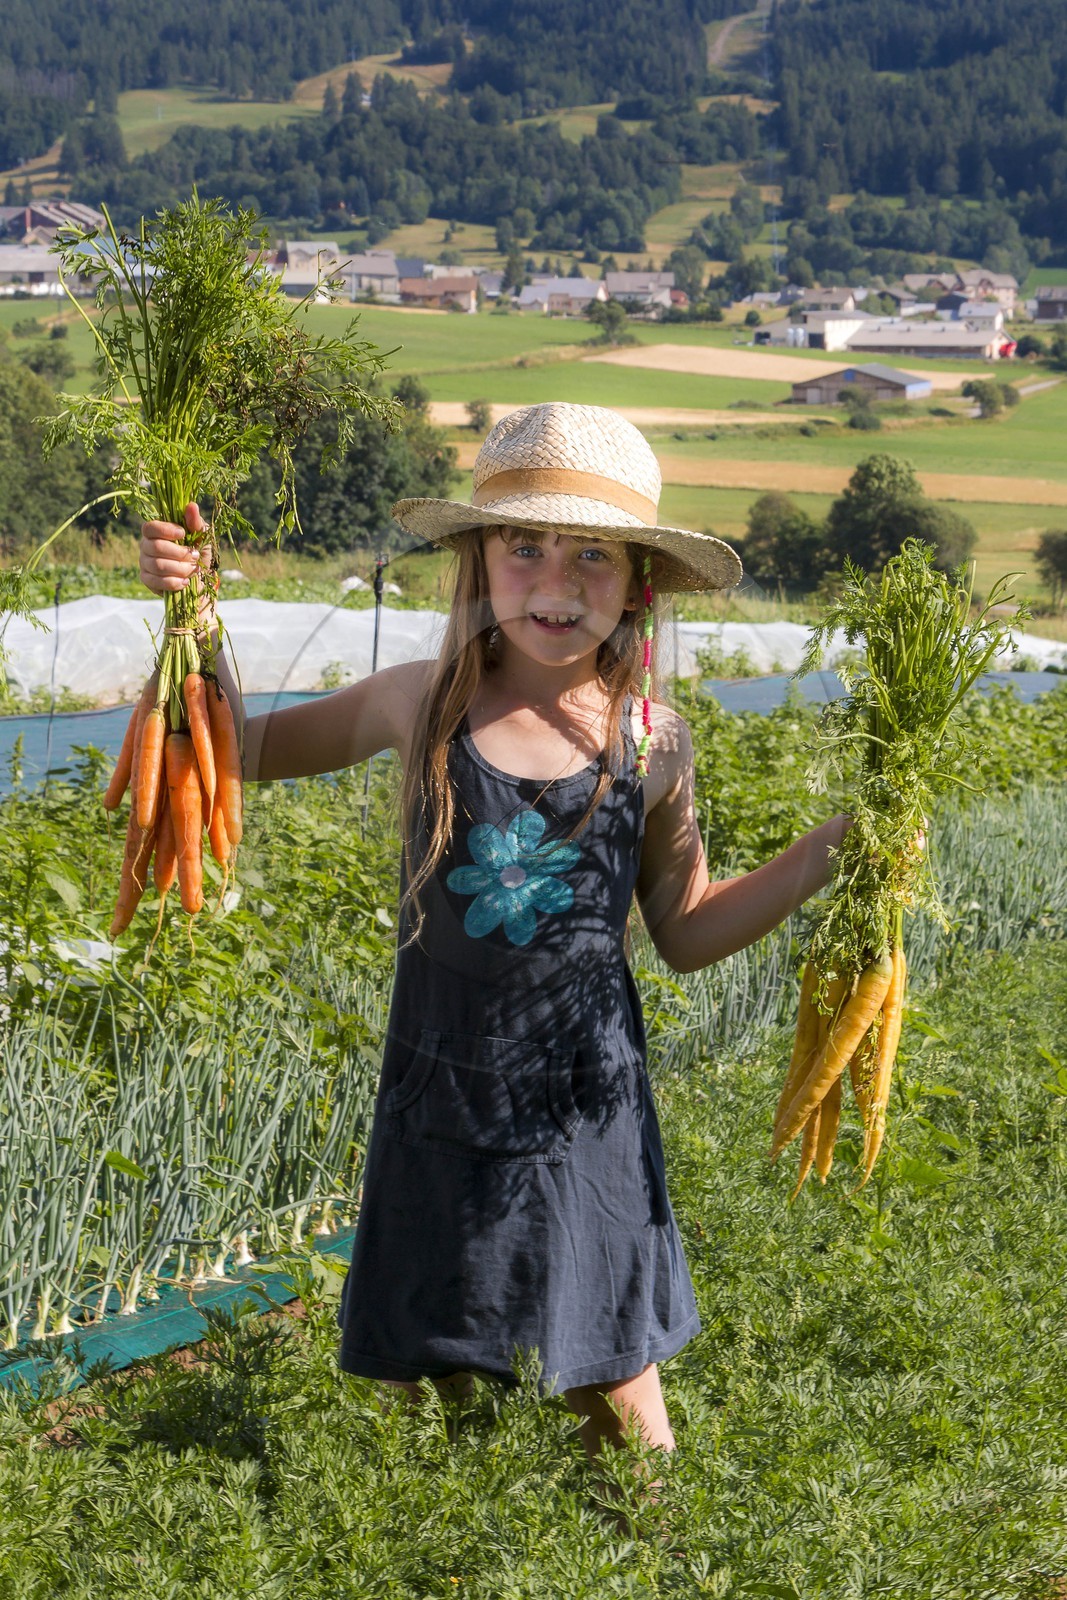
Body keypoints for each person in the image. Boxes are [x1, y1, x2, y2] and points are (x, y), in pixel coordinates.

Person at [138, 401, 850, 1465]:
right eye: (526, 548)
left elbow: (688, 928)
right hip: (437, 1096)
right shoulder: (415, 701)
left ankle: (657, 1566)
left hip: (583, 1113)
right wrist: (191, 613)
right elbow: (233, 749)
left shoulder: (651, 740)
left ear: (638, 584)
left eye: (593, 559)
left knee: (614, 1385)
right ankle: (429, 1558)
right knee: (412, 1382)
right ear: (478, 559)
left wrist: (818, 856)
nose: (555, 587)